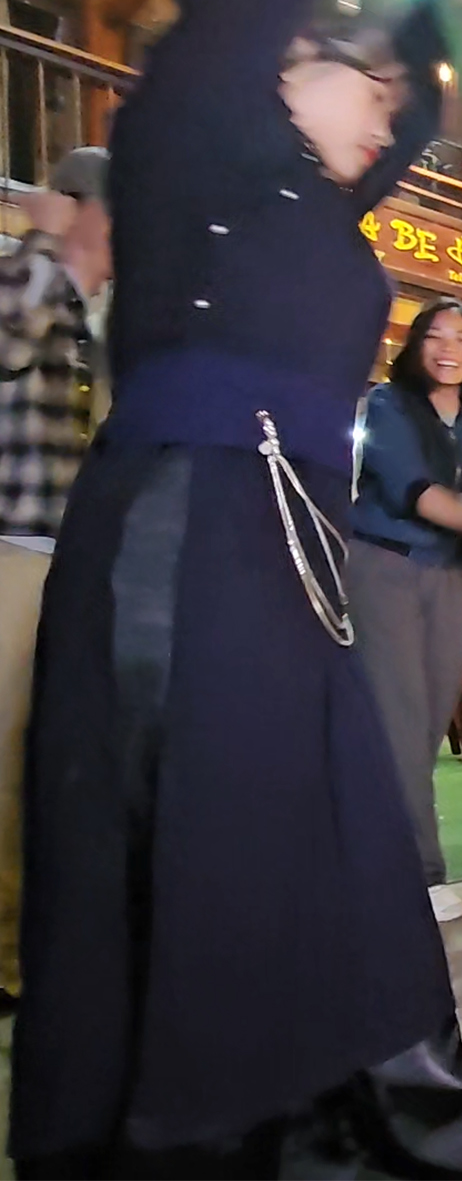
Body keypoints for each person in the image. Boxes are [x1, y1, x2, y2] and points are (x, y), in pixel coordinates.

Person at [13, 3, 462, 1176]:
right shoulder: (186, 157)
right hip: (187, 542)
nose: (386, 118)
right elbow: (216, 37)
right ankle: (409, 1137)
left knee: (322, 835)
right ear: (286, 66)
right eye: (361, 88)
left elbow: (411, 106)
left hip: (283, 557)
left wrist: (415, 40)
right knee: (242, 837)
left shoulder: (319, 203)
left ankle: (388, 1132)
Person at [352, 295, 462, 923]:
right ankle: (419, 872)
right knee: (399, 715)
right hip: (386, 567)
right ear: (416, 344)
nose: (450, 349)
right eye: (436, 336)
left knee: (425, 722)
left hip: (456, 580)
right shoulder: (389, 405)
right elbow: (415, 491)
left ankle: (375, 852)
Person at [0, 146, 112, 1003]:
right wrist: (49, 249)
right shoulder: (28, 278)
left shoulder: (92, 309)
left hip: (68, 562)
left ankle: (40, 943)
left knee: (54, 756)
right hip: (12, 551)